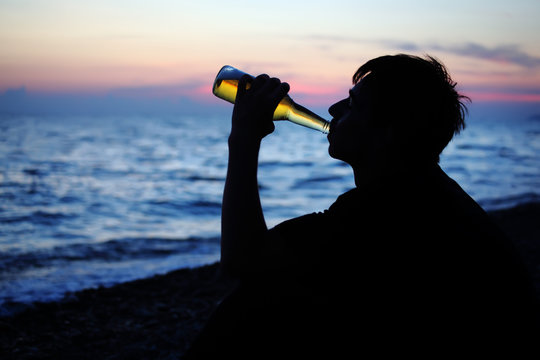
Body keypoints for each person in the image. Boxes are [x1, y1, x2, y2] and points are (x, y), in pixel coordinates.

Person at [184, 54, 538, 358]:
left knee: (255, 303)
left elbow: (243, 260)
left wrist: (243, 139)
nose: (334, 109)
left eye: (353, 105)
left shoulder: (392, 210)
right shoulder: (423, 193)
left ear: (389, 132)